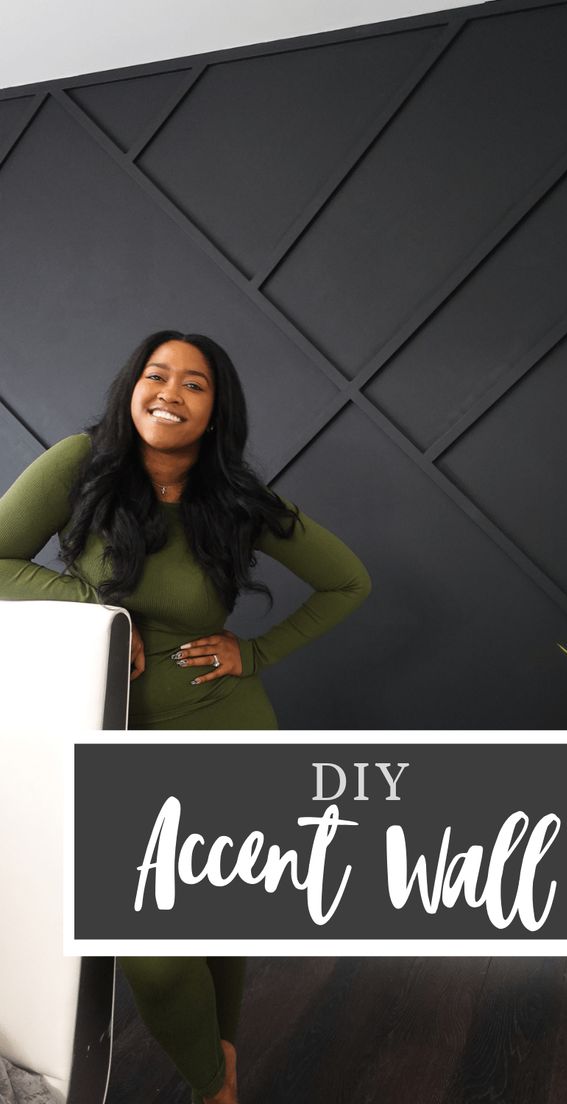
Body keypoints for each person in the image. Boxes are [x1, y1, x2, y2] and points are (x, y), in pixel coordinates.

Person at [0, 330, 372, 1104]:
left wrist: (257, 655)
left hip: (224, 730)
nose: (170, 391)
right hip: (109, 734)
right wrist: (98, 610)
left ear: (215, 410)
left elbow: (349, 583)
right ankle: (216, 1074)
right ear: (132, 387)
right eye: (155, 374)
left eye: (194, 383)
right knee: (155, 954)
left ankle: (217, 1087)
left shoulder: (236, 499)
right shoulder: (81, 465)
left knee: (214, 921)